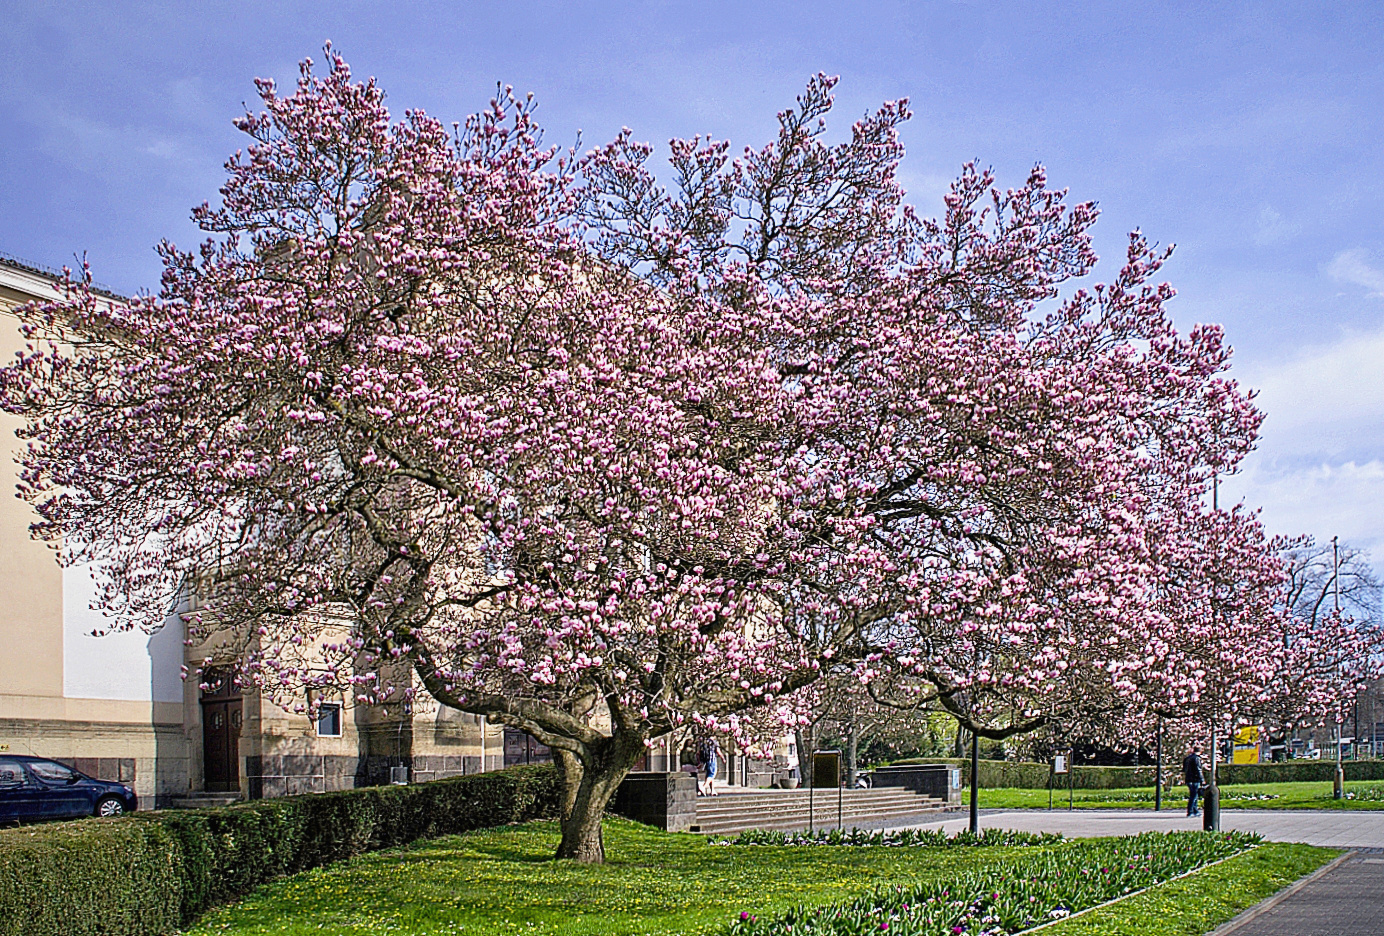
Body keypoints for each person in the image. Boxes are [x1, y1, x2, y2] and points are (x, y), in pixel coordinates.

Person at [1183, 745, 1205, 817]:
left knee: (1193, 795)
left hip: (1188, 779)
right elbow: (1198, 770)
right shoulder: (1197, 759)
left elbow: (1184, 769)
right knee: (1194, 796)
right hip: (1195, 779)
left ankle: (1195, 810)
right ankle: (1190, 811)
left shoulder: (1187, 758)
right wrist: (1202, 780)